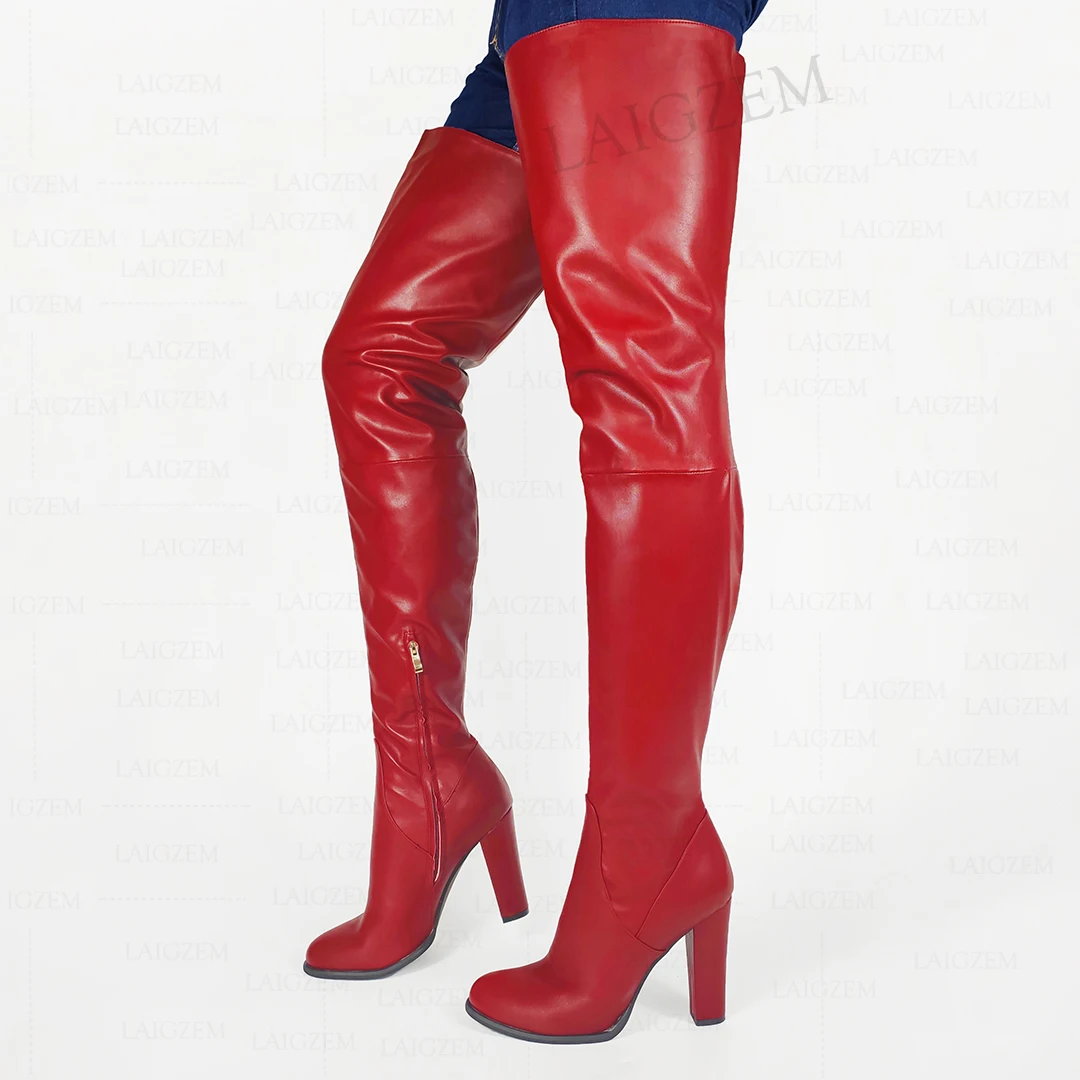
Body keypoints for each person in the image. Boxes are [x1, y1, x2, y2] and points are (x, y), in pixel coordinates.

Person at [303, 0, 768, 1044]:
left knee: (643, 380)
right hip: (530, 23)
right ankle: (432, 786)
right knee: (381, 361)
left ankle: (649, 849)